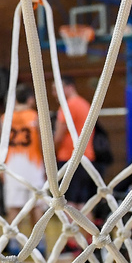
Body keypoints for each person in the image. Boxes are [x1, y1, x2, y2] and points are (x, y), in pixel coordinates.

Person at [3, 86, 48, 231]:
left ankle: (13, 242)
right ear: (30, 99)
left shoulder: (5, 117)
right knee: (36, 205)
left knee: (14, 207)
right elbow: (43, 142)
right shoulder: (35, 115)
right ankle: (38, 242)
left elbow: (0, 143)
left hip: (12, 165)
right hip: (33, 164)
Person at [54, 75, 96, 208]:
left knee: (68, 203)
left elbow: (59, 136)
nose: (54, 94)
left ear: (69, 87)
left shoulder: (68, 106)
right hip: (86, 158)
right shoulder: (84, 104)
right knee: (83, 204)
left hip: (69, 159)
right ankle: (88, 230)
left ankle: (70, 229)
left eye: (56, 89)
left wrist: (50, 155)